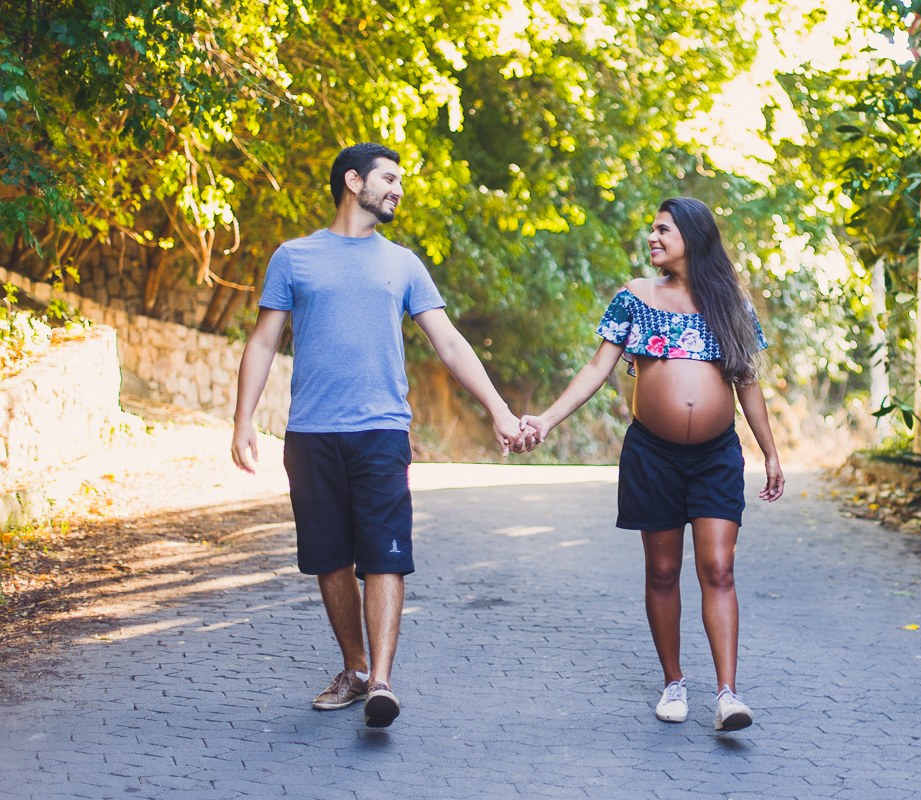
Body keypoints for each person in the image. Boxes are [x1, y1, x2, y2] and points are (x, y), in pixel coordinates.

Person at [231, 142, 530, 729]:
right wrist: (242, 421)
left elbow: (448, 342)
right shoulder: (294, 257)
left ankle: (382, 684)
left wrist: (497, 408)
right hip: (311, 434)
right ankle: (356, 668)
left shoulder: (404, 263)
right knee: (329, 559)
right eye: (388, 178)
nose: (397, 189)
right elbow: (263, 341)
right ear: (353, 181)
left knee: (385, 555)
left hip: (382, 432)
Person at [521, 197, 784, 732]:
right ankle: (673, 682)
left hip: (715, 456)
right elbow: (598, 368)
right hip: (652, 454)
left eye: (663, 229)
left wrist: (770, 450)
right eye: (651, 230)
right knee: (662, 571)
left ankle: (728, 694)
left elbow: (748, 384)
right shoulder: (633, 299)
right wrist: (547, 420)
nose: (652, 237)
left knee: (718, 568)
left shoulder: (731, 303)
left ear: (691, 234)